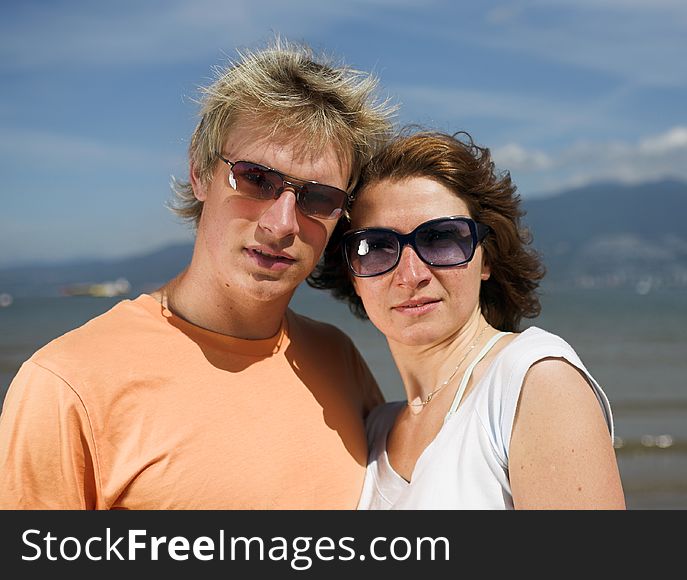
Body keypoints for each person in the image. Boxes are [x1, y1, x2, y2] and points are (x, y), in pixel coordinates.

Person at [0, 38, 395, 509]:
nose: (281, 223)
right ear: (199, 171)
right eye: (256, 179)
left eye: (318, 198)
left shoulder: (338, 358)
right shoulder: (65, 384)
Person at [309, 130, 626, 509]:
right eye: (375, 247)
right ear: (352, 275)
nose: (411, 274)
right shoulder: (374, 432)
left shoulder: (532, 382)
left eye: (441, 239)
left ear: (486, 259)